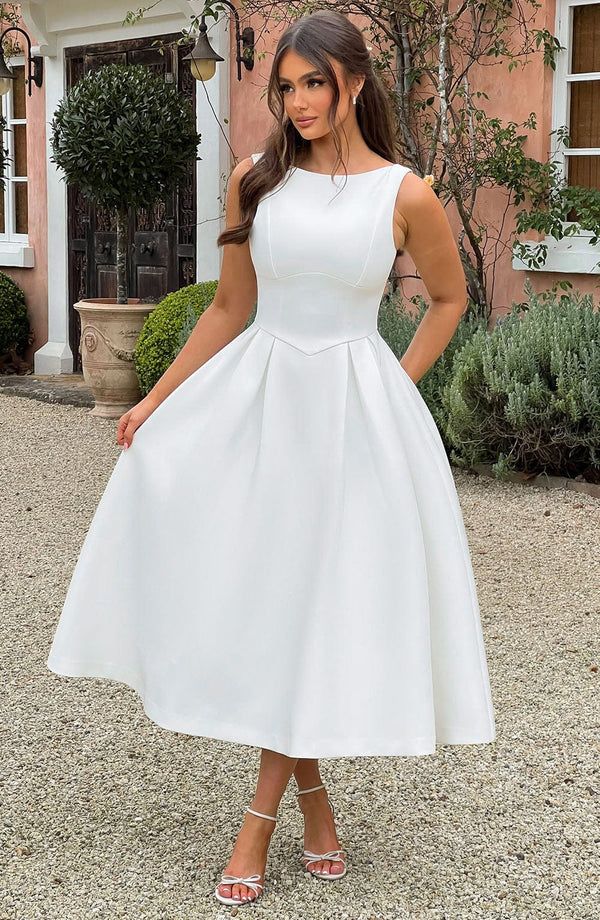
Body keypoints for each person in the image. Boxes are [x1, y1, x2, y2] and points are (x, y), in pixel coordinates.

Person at [47, 8, 496, 908]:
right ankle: (314, 802)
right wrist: (153, 398)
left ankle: (257, 824)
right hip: (265, 409)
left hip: (358, 423)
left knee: (315, 605)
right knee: (286, 603)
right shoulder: (255, 183)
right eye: (286, 86)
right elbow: (226, 310)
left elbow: (448, 301)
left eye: (315, 83)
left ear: (355, 84)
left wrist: (393, 387)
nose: (298, 102)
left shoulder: (404, 193)